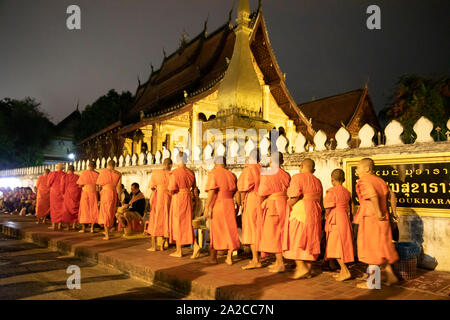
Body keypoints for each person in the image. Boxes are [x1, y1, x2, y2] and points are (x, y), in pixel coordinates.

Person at [354, 158, 399, 288]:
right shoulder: (380, 181)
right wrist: (393, 212)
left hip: (371, 218)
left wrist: (378, 211)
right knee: (382, 248)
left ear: (367, 169)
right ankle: (391, 276)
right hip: (383, 219)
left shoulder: (364, 181)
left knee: (371, 249)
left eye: (358, 167)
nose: (356, 170)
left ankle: (373, 281)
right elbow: (392, 195)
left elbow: (372, 195)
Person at [283, 158, 323, 280]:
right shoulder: (317, 181)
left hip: (302, 210)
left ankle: (301, 267)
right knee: (311, 238)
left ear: (301, 166)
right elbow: (320, 199)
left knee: (296, 237)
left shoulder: (298, 177)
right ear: (313, 169)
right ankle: (308, 269)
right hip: (315, 210)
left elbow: (294, 196)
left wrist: (287, 205)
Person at [258, 151, 291, 273]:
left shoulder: (267, 174)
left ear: (271, 161)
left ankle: (281, 263)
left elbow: (262, 191)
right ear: (282, 161)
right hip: (284, 204)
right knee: (282, 232)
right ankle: (278, 261)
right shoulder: (286, 175)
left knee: (274, 234)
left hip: (273, 205)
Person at [204, 156, 240, 265]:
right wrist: (238, 206)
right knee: (230, 230)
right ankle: (229, 257)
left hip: (218, 204)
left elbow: (211, 192)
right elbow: (236, 193)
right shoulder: (232, 175)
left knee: (216, 231)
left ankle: (213, 258)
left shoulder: (213, 173)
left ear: (215, 163)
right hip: (229, 203)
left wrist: (207, 207)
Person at [323, 169, 354, 281]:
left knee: (335, 245)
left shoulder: (331, 192)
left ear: (332, 180)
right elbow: (351, 208)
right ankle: (342, 271)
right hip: (345, 218)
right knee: (343, 243)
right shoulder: (347, 192)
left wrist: (326, 217)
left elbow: (327, 208)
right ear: (344, 179)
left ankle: (345, 270)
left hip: (335, 218)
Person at [168, 152, 199, 258]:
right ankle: (182, 248)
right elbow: (195, 189)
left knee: (178, 223)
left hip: (178, 197)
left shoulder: (175, 173)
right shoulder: (191, 172)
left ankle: (183, 249)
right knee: (186, 223)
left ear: (177, 160)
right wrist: (196, 200)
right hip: (188, 197)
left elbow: (172, 188)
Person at [237, 149, 263, 270]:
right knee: (259, 227)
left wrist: (242, 203)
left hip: (252, 198)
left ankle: (255, 259)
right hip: (262, 199)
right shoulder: (263, 169)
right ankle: (258, 256)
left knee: (251, 228)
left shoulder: (249, 169)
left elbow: (243, 188)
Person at [147, 158, 172, 251]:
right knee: (166, 219)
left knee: (154, 219)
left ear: (163, 164)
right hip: (168, 198)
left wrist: (159, 189)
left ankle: (153, 246)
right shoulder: (171, 174)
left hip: (158, 198)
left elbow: (152, 187)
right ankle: (162, 245)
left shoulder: (156, 173)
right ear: (170, 165)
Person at [97, 160, 122, 240]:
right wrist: (119, 197)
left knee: (105, 213)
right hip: (113, 193)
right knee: (110, 212)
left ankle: (107, 234)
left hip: (105, 193)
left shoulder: (103, 172)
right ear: (115, 165)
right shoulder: (118, 174)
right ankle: (108, 231)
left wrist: (99, 195)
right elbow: (119, 187)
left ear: (107, 164)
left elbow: (99, 186)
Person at [77, 162, 99, 233]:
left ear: (88, 166)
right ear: (95, 166)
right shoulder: (97, 174)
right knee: (93, 209)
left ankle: (84, 228)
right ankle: (92, 228)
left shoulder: (84, 173)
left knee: (84, 209)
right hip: (93, 193)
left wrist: (85, 185)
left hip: (86, 192)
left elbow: (80, 185)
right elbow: (99, 185)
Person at [61, 165, 82, 231]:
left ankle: (68, 226)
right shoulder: (77, 177)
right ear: (74, 170)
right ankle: (74, 225)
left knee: (67, 210)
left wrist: (63, 194)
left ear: (68, 170)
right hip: (75, 195)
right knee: (75, 209)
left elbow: (62, 187)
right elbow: (80, 186)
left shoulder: (64, 177)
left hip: (67, 195)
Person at [47, 163, 66, 230]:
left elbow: (48, 183)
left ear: (56, 167)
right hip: (62, 193)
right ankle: (60, 225)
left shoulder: (53, 174)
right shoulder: (64, 174)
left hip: (54, 192)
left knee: (54, 208)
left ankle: (54, 225)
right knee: (61, 208)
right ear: (63, 168)